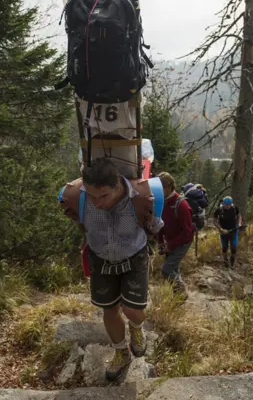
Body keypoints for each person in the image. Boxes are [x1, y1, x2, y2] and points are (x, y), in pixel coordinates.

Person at [58, 158, 163, 381]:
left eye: (103, 196)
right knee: (109, 310)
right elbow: (78, 222)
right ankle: (121, 352)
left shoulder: (140, 199)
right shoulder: (77, 198)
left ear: (118, 184)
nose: (96, 202)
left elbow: (154, 225)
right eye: (92, 195)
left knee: (133, 309)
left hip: (134, 255)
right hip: (101, 257)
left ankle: (136, 327)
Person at [157, 172, 194, 299]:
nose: (158, 191)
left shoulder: (182, 205)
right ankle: (178, 298)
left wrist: (170, 246)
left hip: (183, 242)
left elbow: (187, 232)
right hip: (171, 240)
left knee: (166, 270)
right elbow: (160, 222)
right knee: (174, 269)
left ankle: (181, 292)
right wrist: (160, 241)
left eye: (160, 188)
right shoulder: (162, 202)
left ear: (168, 187)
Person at [214, 196, 241, 268]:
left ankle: (232, 262)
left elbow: (239, 216)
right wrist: (221, 229)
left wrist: (239, 224)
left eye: (229, 204)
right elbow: (214, 221)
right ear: (223, 204)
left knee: (233, 247)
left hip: (233, 230)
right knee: (224, 247)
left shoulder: (235, 208)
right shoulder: (219, 210)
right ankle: (225, 261)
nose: (228, 206)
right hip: (223, 232)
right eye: (226, 205)